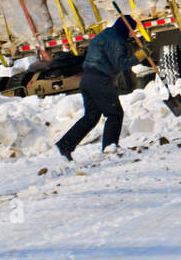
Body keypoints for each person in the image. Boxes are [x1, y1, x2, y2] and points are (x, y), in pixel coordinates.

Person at [56, 14, 149, 160]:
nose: (132, 34)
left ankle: (65, 145)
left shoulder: (104, 34)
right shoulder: (117, 40)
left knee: (91, 117)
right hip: (101, 80)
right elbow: (121, 64)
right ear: (126, 28)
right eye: (131, 30)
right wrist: (139, 56)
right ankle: (110, 148)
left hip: (87, 79)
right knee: (114, 114)